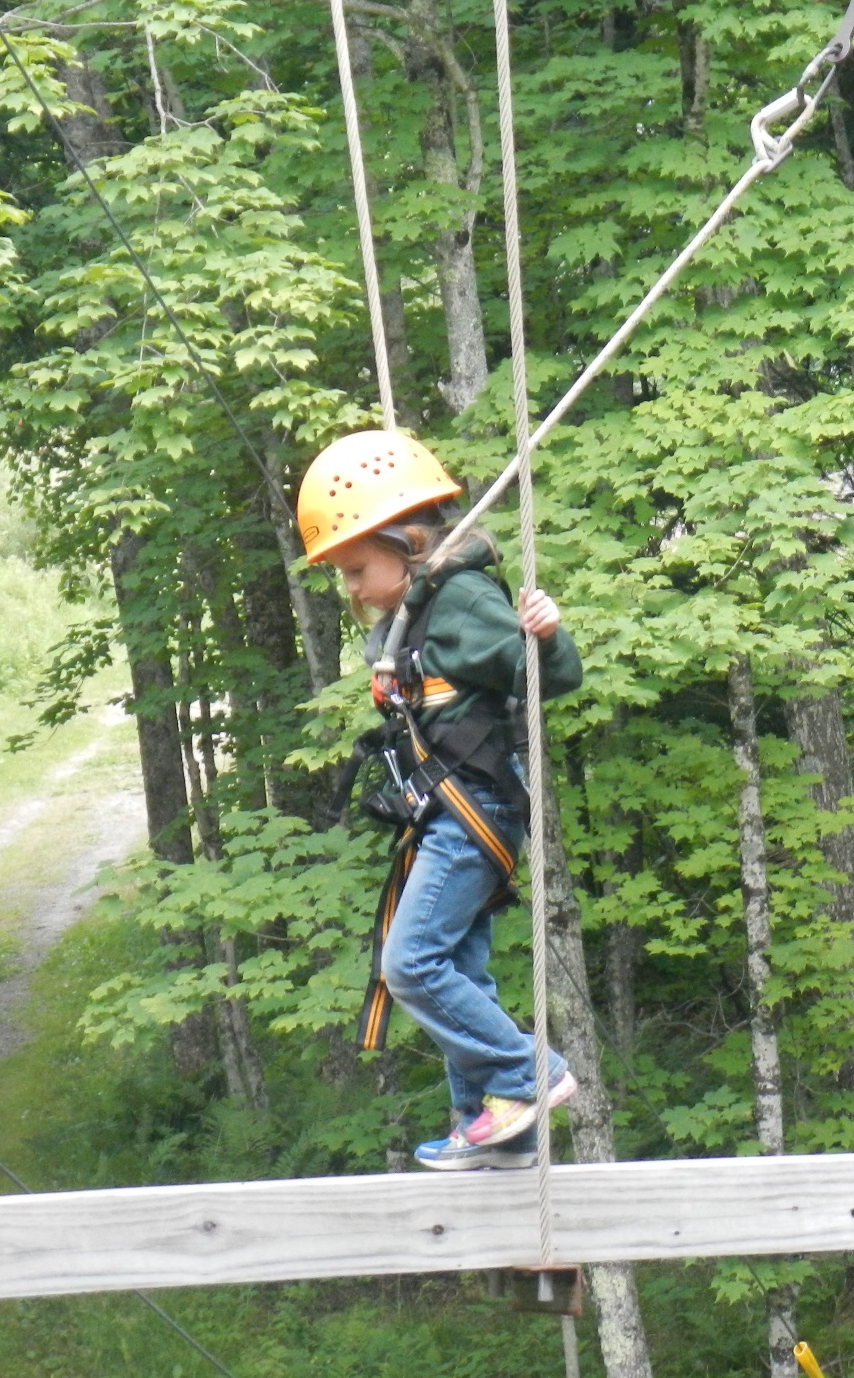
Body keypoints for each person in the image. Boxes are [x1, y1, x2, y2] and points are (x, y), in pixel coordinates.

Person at [298, 430, 583, 1171]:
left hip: (472, 811)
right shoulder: (410, 616)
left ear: (410, 541)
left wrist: (545, 638)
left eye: (357, 568)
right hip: (448, 813)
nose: (352, 588)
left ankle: (529, 1075)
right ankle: (489, 1124)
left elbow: (548, 676)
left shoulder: (456, 598)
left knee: (413, 963)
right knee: (459, 962)